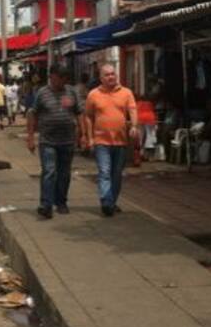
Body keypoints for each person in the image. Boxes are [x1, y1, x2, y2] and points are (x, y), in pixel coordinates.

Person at [27, 63, 85, 219]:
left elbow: (79, 113)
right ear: (51, 77)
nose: (62, 81)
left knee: (64, 173)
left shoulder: (71, 92)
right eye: (60, 77)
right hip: (48, 141)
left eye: (65, 78)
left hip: (67, 140)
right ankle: (46, 204)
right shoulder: (42, 93)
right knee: (49, 171)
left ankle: (61, 202)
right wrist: (30, 137)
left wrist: (83, 134)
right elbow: (33, 114)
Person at [84, 63, 138, 216]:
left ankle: (112, 202)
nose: (111, 77)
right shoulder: (93, 94)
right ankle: (107, 202)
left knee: (116, 174)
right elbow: (88, 116)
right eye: (107, 75)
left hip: (121, 141)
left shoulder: (126, 93)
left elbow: (132, 110)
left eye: (113, 74)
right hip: (101, 141)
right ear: (101, 78)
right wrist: (90, 138)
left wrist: (134, 126)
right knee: (104, 172)